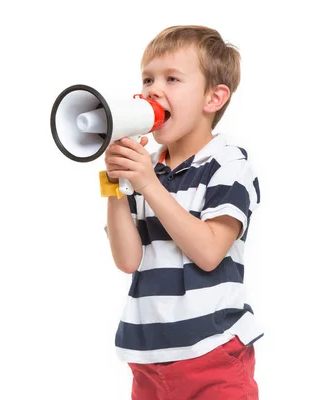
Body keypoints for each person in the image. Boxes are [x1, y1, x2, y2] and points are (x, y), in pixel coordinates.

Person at [103, 25, 262, 400]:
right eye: (148, 78)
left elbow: (208, 252)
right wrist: (115, 185)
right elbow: (128, 260)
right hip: (148, 358)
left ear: (213, 98)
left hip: (213, 355)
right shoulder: (148, 169)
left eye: (172, 79)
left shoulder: (227, 162)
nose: (153, 90)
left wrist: (149, 185)